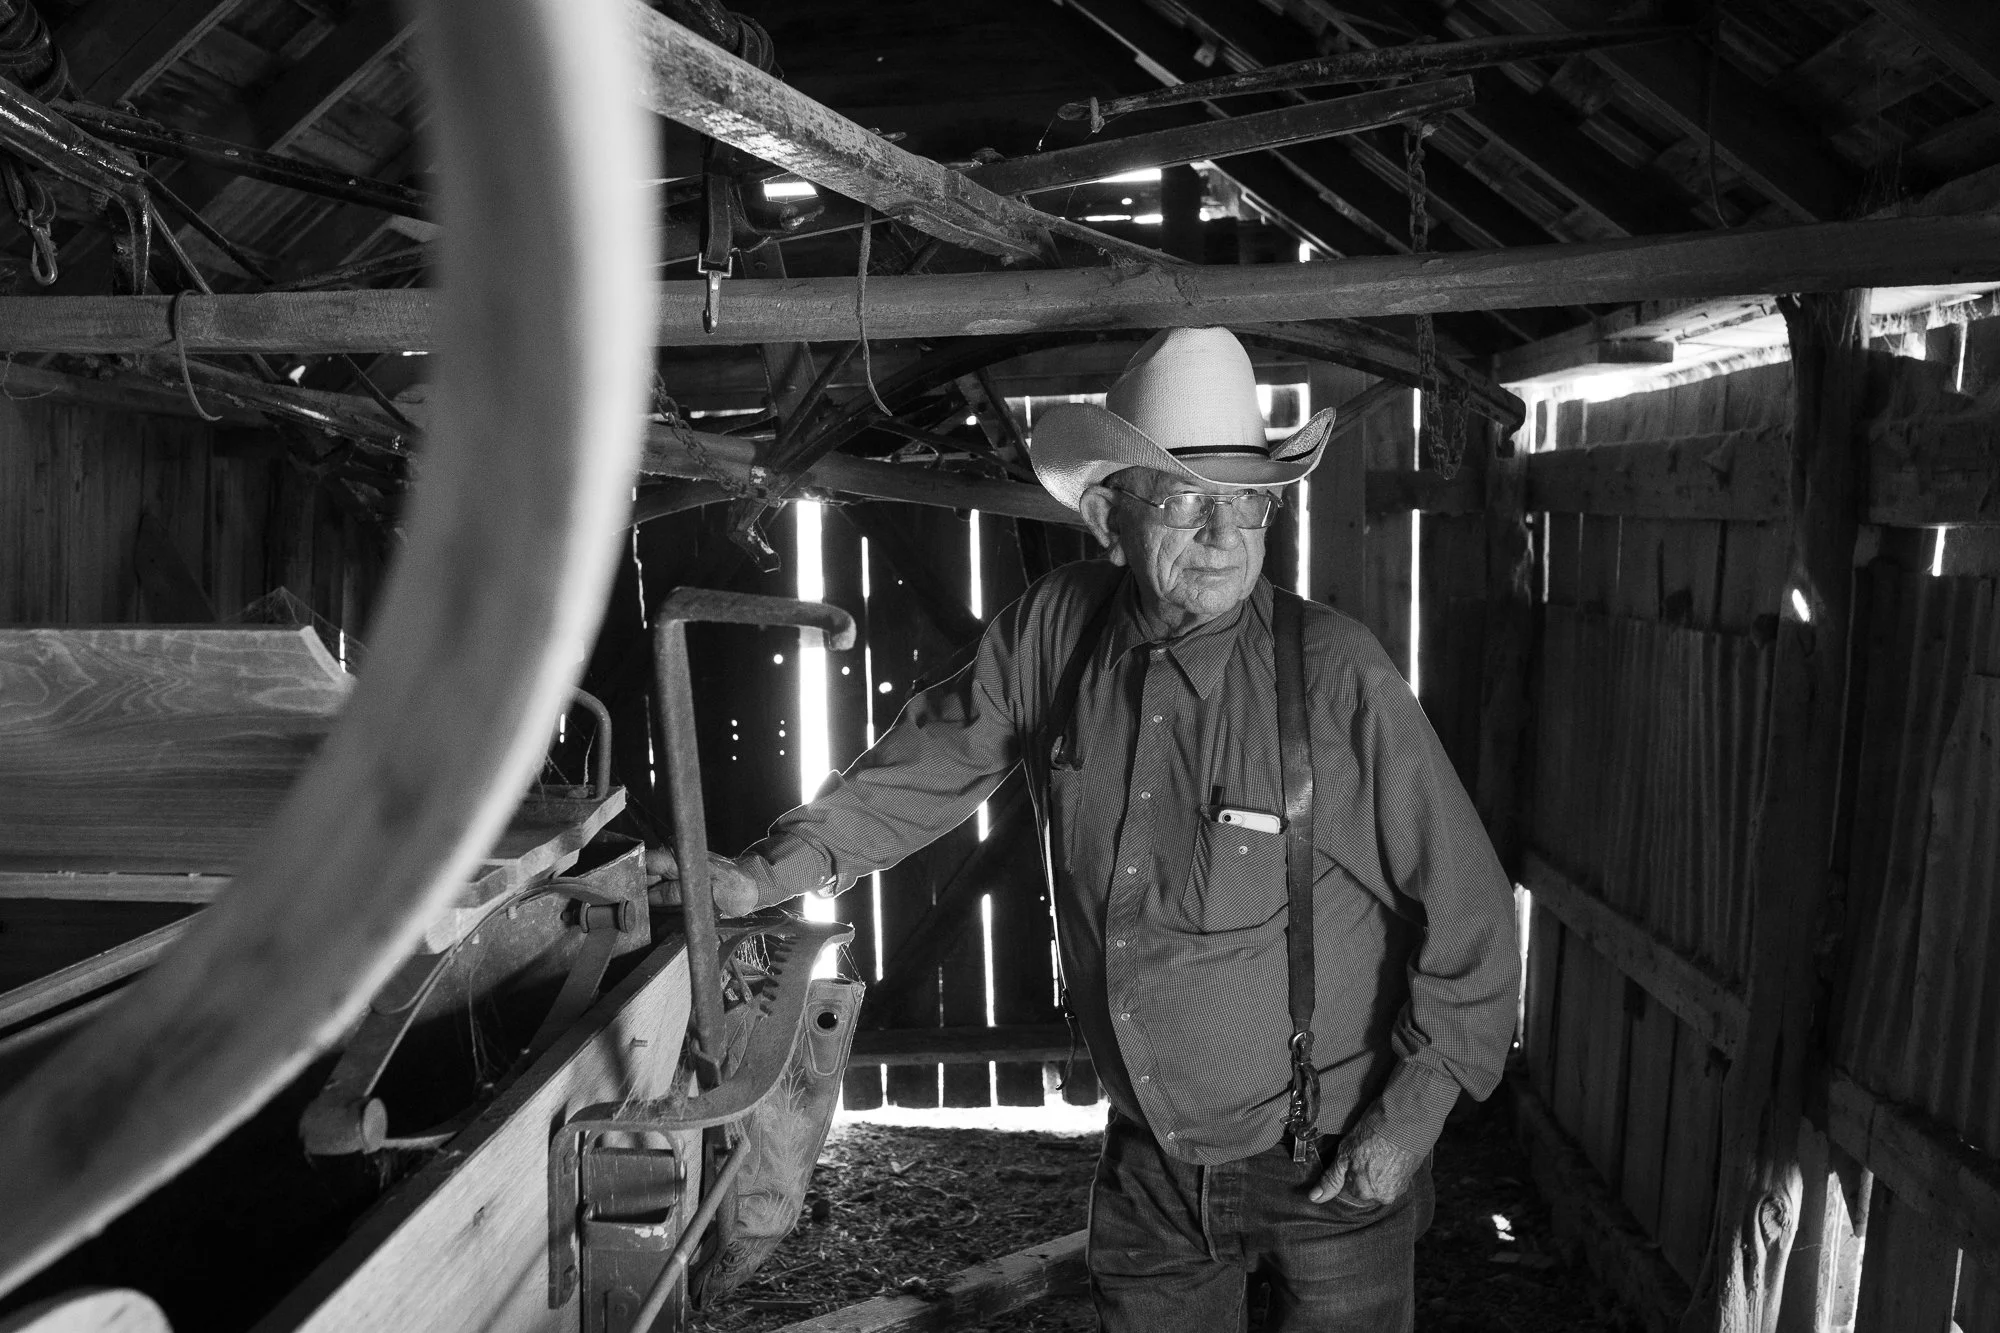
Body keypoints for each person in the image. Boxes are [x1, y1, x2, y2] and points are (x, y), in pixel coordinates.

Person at [682, 327, 1520, 1330]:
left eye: (1247, 502)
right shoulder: (1054, 630)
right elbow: (926, 766)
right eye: (1183, 499)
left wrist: (1407, 1121)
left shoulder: (1336, 674)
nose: (1222, 533)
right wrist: (763, 873)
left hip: (1328, 1164)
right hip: (1149, 1164)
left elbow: (1470, 917)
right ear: (1107, 513)